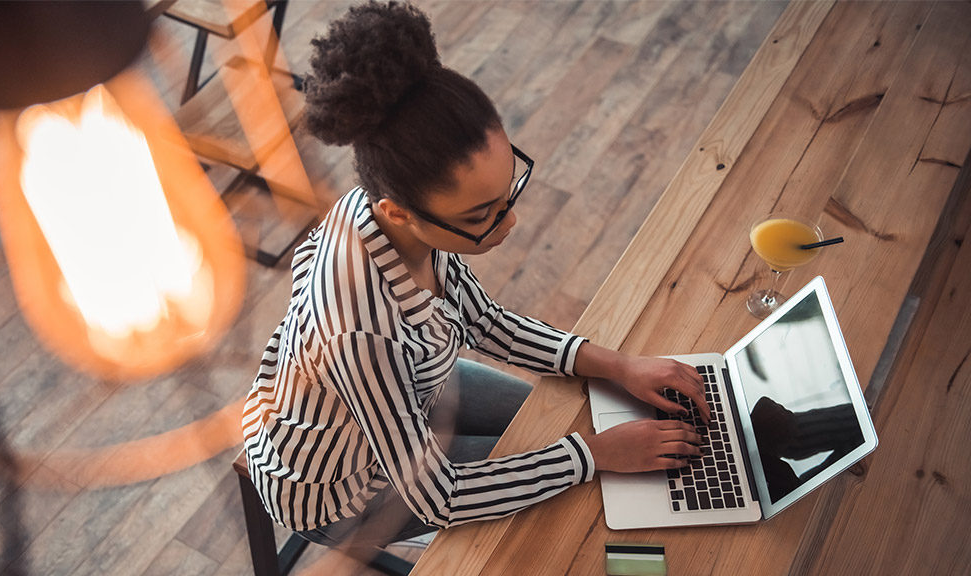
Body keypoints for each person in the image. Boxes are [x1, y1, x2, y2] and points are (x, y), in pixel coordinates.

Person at [242, 0, 711, 549]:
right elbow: (438, 496)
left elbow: (483, 321)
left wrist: (619, 365)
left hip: (411, 386)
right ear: (399, 212)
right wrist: (592, 454)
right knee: (575, 494)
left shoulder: (385, 212)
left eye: (505, 192)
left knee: (577, 425)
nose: (509, 221)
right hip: (340, 487)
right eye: (480, 216)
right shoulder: (358, 331)